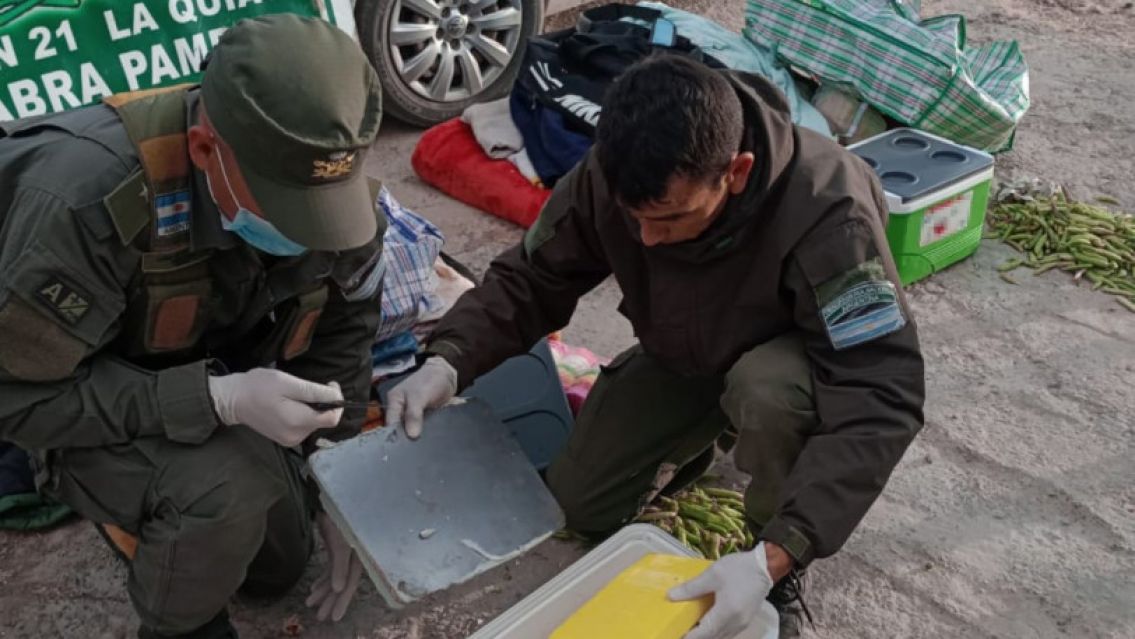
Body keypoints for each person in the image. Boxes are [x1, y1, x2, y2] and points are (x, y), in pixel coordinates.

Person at [385, 55, 926, 638]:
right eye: (633, 218)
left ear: (737, 171)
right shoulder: (614, 171)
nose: (647, 239)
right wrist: (448, 359)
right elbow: (533, 277)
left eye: (669, 219)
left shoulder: (830, 211)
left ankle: (771, 548)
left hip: (789, 362)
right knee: (580, 504)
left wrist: (779, 552)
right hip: (685, 352)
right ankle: (707, 435)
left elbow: (880, 389)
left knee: (767, 394)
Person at [0, 15, 385, 638]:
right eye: (289, 208)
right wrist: (214, 399)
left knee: (276, 569)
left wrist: (337, 468)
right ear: (206, 150)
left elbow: (347, 326)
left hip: (214, 360)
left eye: (324, 209)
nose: (312, 232)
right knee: (225, 492)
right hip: (88, 387)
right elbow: (20, 399)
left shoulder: (340, 202)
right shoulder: (85, 202)